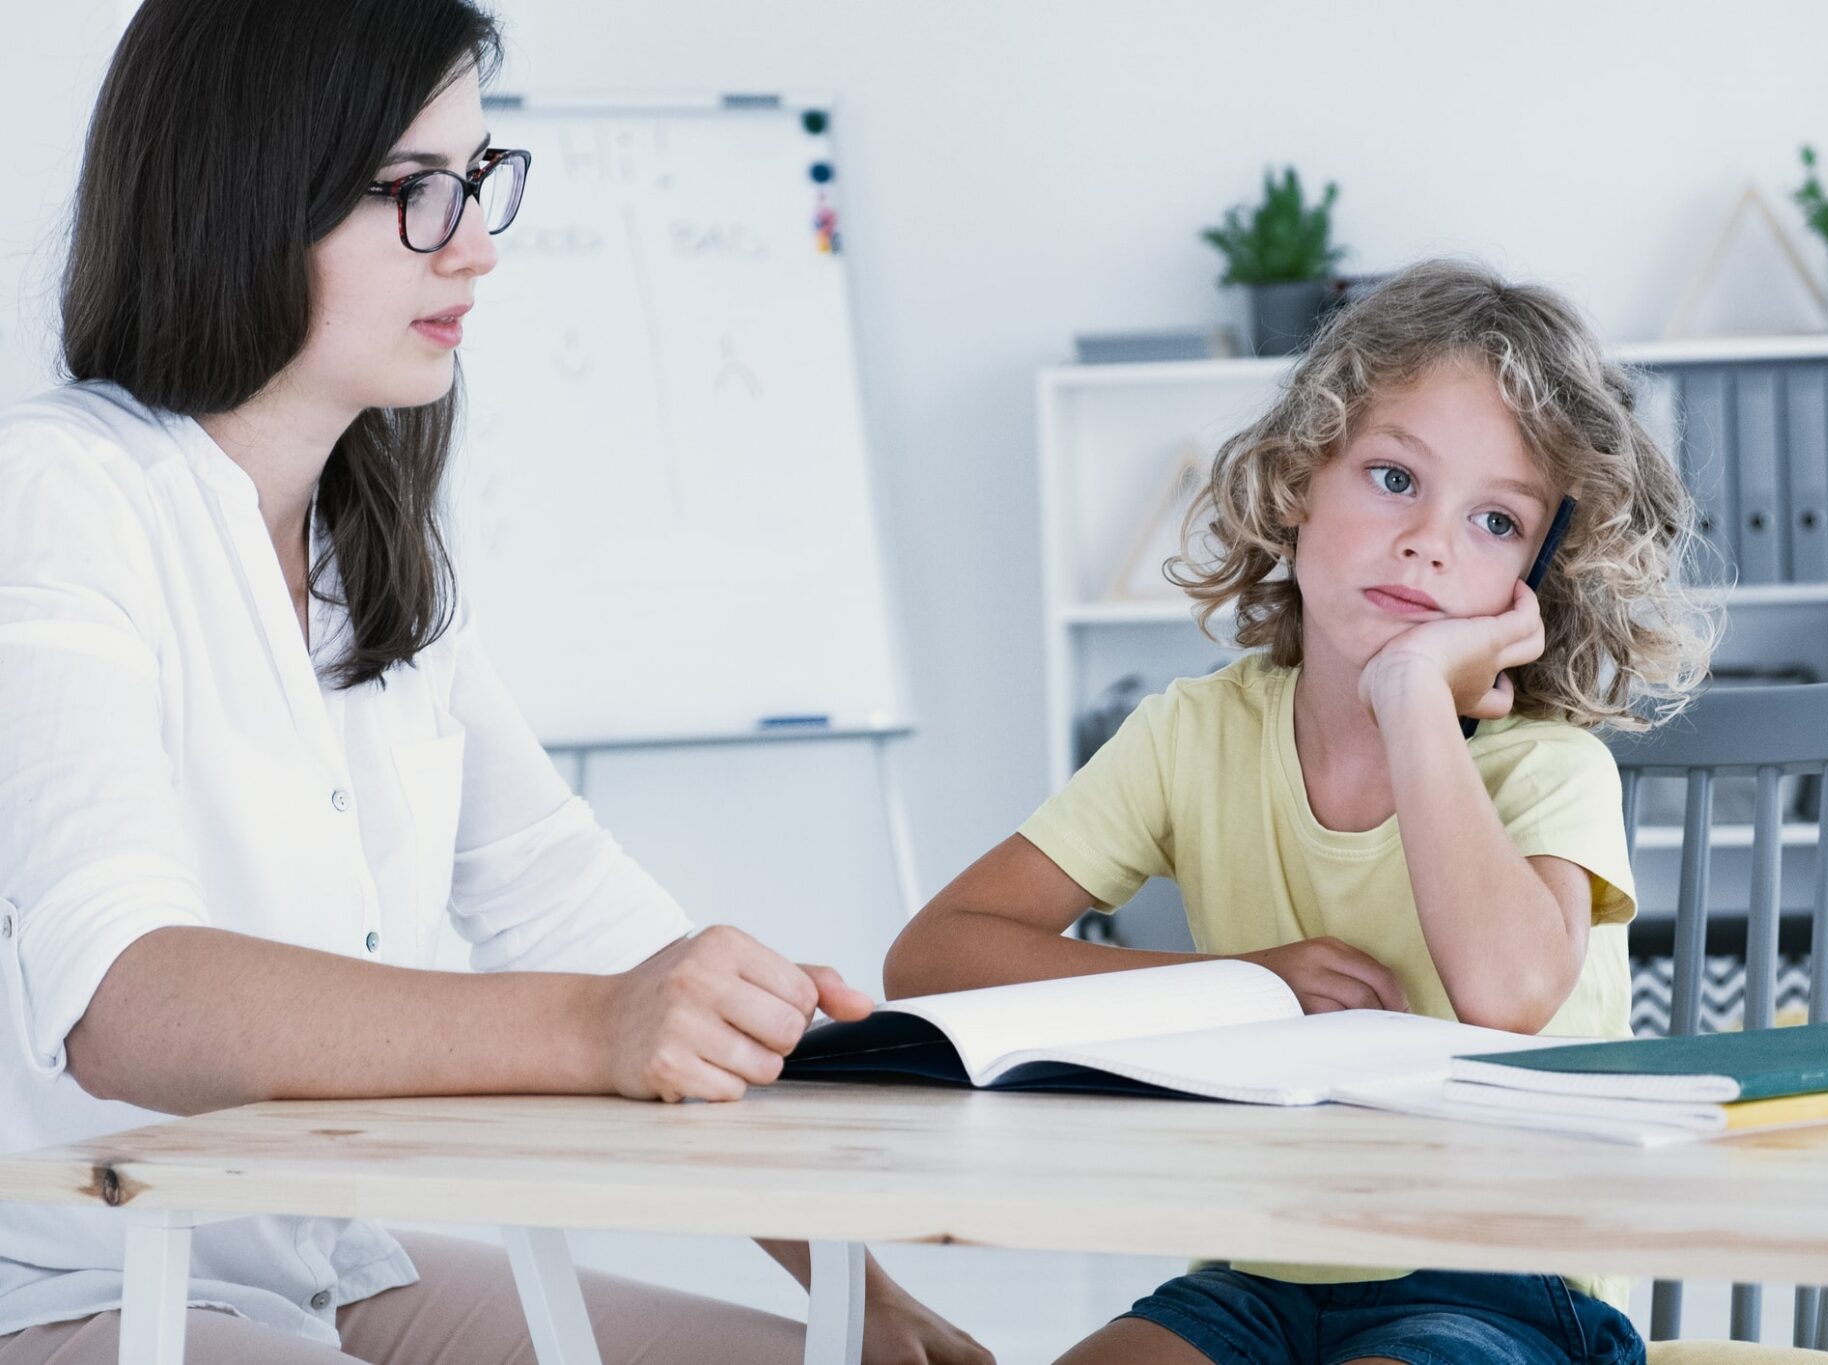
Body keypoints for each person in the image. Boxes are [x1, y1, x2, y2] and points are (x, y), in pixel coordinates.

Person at [0, 1, 987, 1361]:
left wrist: (859, 1300)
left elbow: (575, 913)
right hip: (75, 1283)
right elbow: (123, 997)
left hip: (329, 1267)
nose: (475, 244)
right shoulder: (55, 492)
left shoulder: (369, 542)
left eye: (473, 181)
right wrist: (600, 1027)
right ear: (241, 196)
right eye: (410, 192)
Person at [886, 260, 1716, 1365]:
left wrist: (1413, 691)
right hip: (1260, 1269)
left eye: (1495, 522)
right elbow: (933, 957)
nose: (1428, 540)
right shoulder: (1192, 733)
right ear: (1294, 481)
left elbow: (1508, 991)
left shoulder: (1548, 770)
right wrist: (1245, 989)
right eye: (1390, 478)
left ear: (1537, 579)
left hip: (1505, 1282)